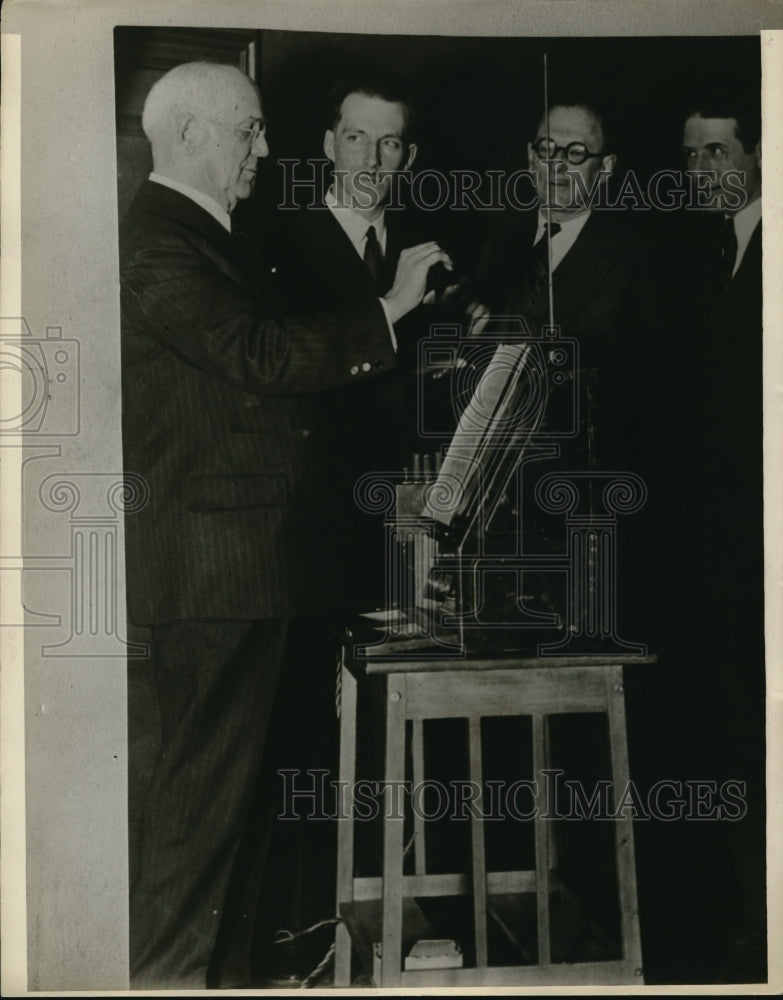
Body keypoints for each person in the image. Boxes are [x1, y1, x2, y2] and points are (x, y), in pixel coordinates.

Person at [120, 60, 450, 989]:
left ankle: (223, 982)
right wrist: (385, 314)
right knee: (202, 819)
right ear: (188, 134)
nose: (263, 148)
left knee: (239, 816)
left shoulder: (206, 232)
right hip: (217, 570)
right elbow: (259, 356)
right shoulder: (158, 241)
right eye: (249, 130)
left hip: (250, 566)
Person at [269, 72, 453, 606]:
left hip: (411, 515)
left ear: (409, 156)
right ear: (330, 145)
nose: (371, 160)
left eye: (388, 143)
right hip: (310, 516)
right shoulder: (276, 243)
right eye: (356, 139)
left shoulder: (434, 248)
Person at [678, 89, 765, 963]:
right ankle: (758, 919)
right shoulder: (716, 255)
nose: (701, 172)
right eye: (691, 156)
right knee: (739, 735)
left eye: (717, 153)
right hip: (730, 563)